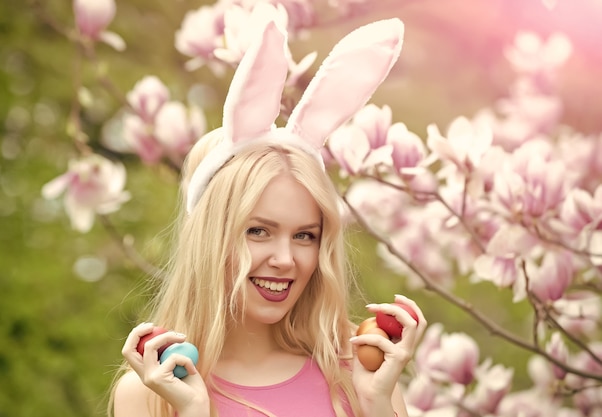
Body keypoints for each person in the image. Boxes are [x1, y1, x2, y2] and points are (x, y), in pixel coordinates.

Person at [110, 17, 426, 417]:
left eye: (305, 236)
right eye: (258, 231)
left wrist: (377, 404)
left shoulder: (360, 371)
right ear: (212, 236)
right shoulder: (151, 391)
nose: (285, 259)